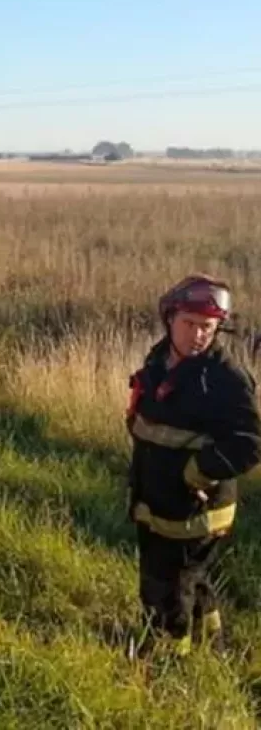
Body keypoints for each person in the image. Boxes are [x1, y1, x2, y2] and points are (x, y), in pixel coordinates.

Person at [126, 274, 261, 658]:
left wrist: (196, 473)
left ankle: (168, 661)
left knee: (164, 587)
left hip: (194, 509)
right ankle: (211, 644)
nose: (198, 335)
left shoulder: (225, 379)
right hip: (155, 497)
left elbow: (249, 444)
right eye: (189, 324)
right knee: (193, 579)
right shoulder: (159, 360)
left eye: (208, 327)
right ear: (170, 319)